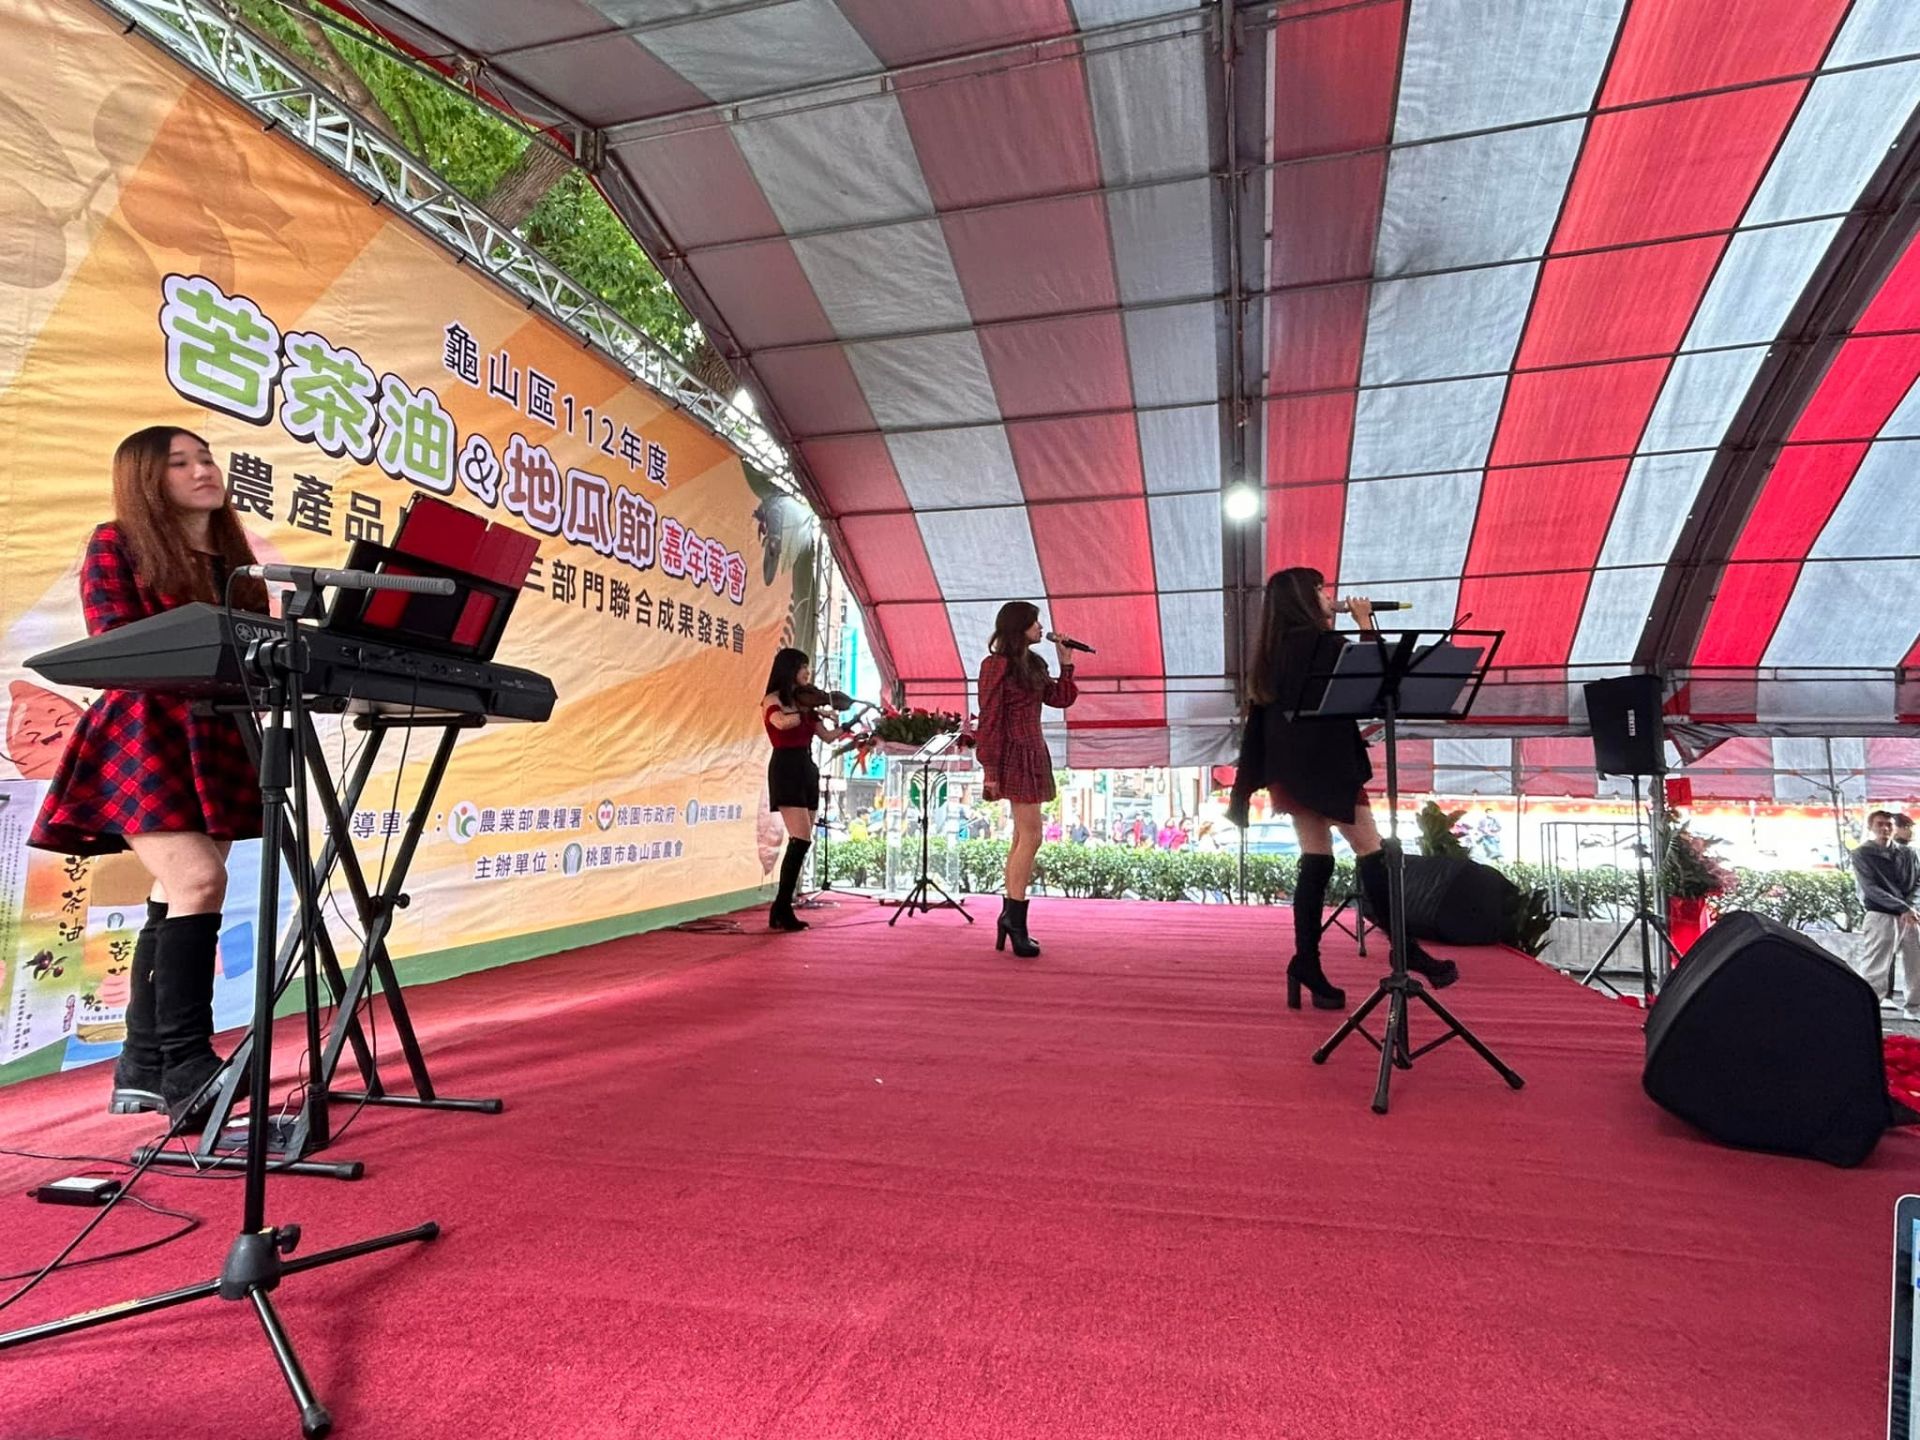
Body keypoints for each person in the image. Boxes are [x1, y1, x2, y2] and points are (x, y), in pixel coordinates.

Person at [29, 427, 269, 1125]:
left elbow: (255, 647)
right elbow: (116, 638)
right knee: (198, 881)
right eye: (179, 463)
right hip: (144, 730)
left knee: (175, 890)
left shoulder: (233, 559)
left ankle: (142, 1064)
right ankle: (188, 1064)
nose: (202, 471)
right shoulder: (118, 543)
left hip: (217, 734)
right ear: (145, 479)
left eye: (206, 458)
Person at [1229, 566, 1458, 1010]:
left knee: (1316, 859)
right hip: (1326, 762)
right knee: (1372, 851)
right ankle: (1405, 950)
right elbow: (1378, 681)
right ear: (1304, 598)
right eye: (1319, 589)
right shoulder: (1321, 643)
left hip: (1291, 765)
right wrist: (1365, 623)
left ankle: (1307, 962)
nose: (1328, 595)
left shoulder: (1272, 651)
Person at [972, 601, 1078, 957]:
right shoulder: (995, 665)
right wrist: (990, 768)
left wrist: (1066, 663)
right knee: (1031, 835)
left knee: (1023, 835)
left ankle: (1010, 917)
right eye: (1035, 622)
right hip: (1013, 751)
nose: (1040, 628)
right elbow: (989, 717)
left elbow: (1060, 698)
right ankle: (1014, 920)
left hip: (1032, 748)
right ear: (1019, 627)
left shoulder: (1034, 663)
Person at [762, 649, 844, 932]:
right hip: (785, 767)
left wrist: (849, 728)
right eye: (802, 667)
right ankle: (783, 907)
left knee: (803, 840)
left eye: (808, 667)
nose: (807, 672)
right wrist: (806, 711)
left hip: (807, 767)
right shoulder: (774, 700)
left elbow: (828, 737)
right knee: (800, 838)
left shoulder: (806, 703)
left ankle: (780, 907)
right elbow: (780, 723)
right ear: (789, 669)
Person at [1851, 810, 1919, 1015]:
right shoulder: (1862, 854)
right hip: (1880, 914)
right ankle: (1869, 1010)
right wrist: (1902, 907)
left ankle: (1914, 1007)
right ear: (1870, 827)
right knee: (1876, 966)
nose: (1885, 828)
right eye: (1880, 824)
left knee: (1915, 963)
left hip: (1910, 915)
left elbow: (1917, 882)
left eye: (1889, 824)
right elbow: (1870, 888)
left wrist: (1910, 906)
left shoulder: (1908, 853)